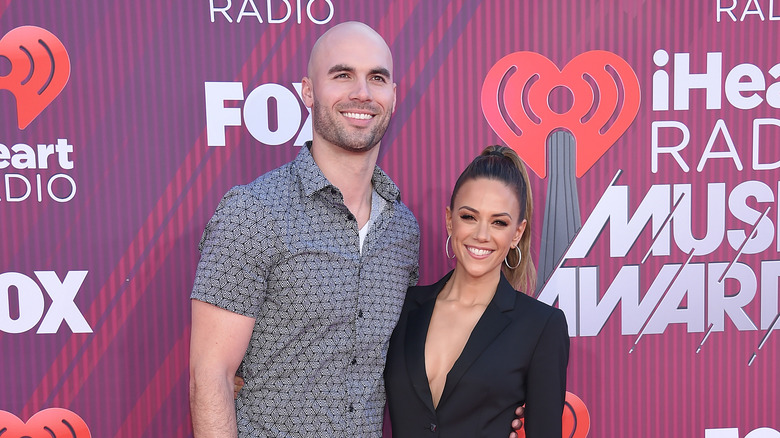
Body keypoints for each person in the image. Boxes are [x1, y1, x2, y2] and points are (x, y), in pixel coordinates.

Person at [189, 21, 419, 437]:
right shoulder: (254, 211)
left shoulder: (403, 230)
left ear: (393, 95)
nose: (362, 93)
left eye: (377, 78)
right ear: (308, 91)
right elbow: (211, 375)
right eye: (342, 74)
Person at [384, 145, 570, 437]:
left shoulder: (540, 327)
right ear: (450, 220)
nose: (481, 235)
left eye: (499, 222)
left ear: (517, 234)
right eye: (469, 217)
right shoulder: (403, 307)